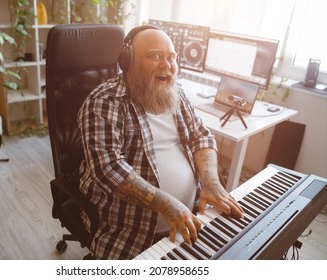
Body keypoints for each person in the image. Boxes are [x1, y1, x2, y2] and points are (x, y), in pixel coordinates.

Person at [77, 25, 243, 260]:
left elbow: (200, 135)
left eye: (171, 57)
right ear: (128, 61)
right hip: (130, 232)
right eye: (155, 56)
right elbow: (108, 168)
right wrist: (168, 205)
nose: (167, 65)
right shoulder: (104, 102)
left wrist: (211, 183)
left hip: (191, 218)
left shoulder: (175, 93)